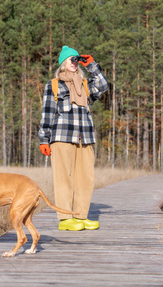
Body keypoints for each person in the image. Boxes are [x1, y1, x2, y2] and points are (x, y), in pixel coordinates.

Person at [38, 45, 109, 231]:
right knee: (64, 178)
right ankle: (65, 218)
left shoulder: (85, 85)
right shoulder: (53, 85)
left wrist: (92, 65)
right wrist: (44, 139)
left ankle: (80, 216)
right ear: (63, 62)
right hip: (61, 137)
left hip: (84, 137)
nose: (75, 63)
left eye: (77, 60)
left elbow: (103, 85)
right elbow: (47, 114)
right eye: (71, 59)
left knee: (86, 178)